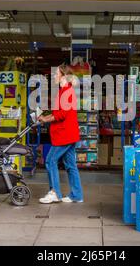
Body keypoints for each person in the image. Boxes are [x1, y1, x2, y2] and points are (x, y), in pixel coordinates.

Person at [38, 64, 84, 204]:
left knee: (50, 160)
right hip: (69, 134)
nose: (54, 76)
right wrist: (46, 116)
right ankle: (77, 195)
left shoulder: (66, 92)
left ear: (64, 75)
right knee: (70, 165)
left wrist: (45, 119)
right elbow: (59, 112)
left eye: (56, 73)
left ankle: (55, 193)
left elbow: (61, 115)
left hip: (64, 135)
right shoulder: (65, 91)